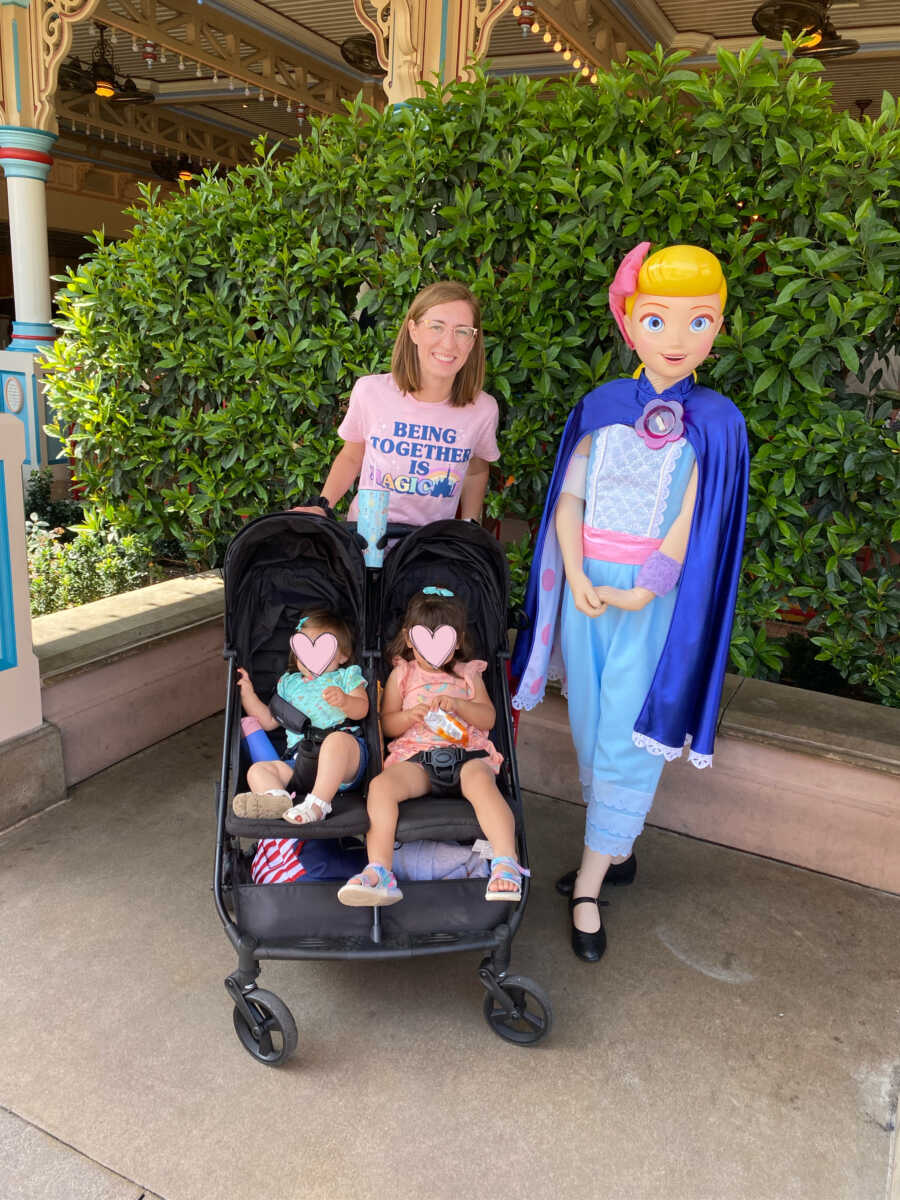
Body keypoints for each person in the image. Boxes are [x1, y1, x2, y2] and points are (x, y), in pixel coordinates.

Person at [511, 243, 749, 963]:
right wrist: (579, 573)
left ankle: (589, 885)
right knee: (590, 723)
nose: (677, 341)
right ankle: (615, 847)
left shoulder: (719, 421)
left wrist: (651, 580)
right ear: (630, 323)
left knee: (625, 730)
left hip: (655, 602)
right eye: (658, 319)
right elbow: (569, 498)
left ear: (718, 327)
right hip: (589, 595)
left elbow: (699, 519)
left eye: (698, 321)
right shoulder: (602, 405)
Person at [337, 587, 527, 906]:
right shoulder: (403, 674)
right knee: (381, 787)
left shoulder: (468, 674)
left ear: (458, 639)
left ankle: (506, 863)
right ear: (410, 639)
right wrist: (410, 715)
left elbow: (489, 718)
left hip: (466, 756)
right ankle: (379, 870)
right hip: (417, 758)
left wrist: (459, 705)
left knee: (483, 784)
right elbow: (387, 725)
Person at [300, 281, 500, 524]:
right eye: (436, 327)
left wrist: (470, 526)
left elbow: (477, 469)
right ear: (413, 330)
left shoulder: (483, 409)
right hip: (366, 542)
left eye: (462, 331)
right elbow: (352, 456)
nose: (449, 343)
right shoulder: (370, 391)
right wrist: (323, 506)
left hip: (429, 549)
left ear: (473, 340)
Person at [233, 609, 369, 824]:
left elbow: (362, 709)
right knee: (258, 770)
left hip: (343, 761)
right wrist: (248, 694)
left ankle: (318, 805)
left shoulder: (347, 675)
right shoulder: (289, 683)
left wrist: (345, 701)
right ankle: (277, 799)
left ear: (342, 655)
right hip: (300, 763)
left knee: (337, 741)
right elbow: (269, 721)